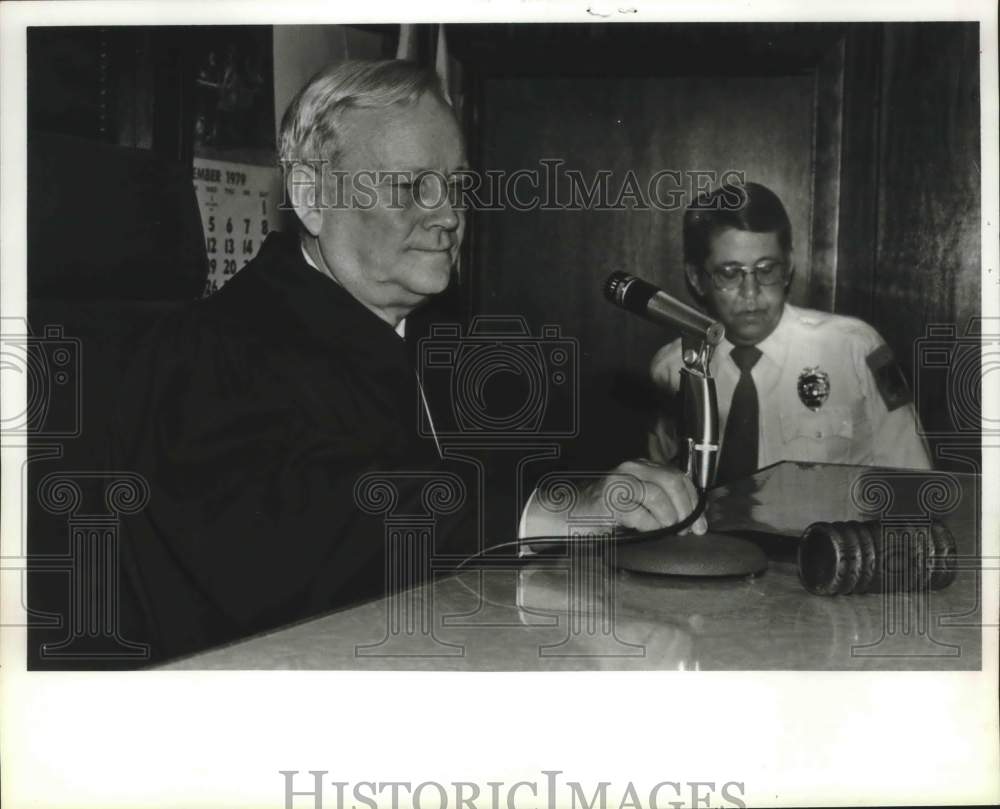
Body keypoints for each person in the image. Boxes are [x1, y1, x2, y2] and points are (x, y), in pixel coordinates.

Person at [112, 59, 703, 664]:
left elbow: (540, 477)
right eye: (408, 187)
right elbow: (315, 530)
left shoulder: (444, 340)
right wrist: (556, 509)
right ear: (312, 198)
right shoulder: (211, 349)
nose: (448, 215)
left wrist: (628, 493)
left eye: (457, 186)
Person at [648, 182, 932, 482]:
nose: (751, 293)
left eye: (766, 269)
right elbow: (666, 489)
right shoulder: (673, 368)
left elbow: (914, 476)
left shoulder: (855, 348)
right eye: (729, 273)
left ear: (788, 267)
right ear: (696, 278)